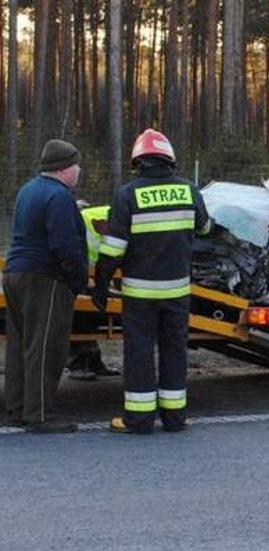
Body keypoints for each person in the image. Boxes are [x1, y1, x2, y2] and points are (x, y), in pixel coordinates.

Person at [92, 129, 211, 434]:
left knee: (140, 352)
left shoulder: (127, 195)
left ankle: (139, 420)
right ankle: (175, 419)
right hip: (177, 291)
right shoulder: (189, 190)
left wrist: (101, 287)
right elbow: (205, 228)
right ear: (170, 160)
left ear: (137, 162)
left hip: (140, 294)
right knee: (174, 351)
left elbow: (112, 250)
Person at [2, 139, 87, 433]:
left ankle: (16, 407)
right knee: (45, 347)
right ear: (65, 169)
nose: (79, 171)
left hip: (15, 273)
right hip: (45, 279)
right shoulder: (59, 197)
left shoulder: (30, 189)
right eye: (77, 166)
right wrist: (77, 280)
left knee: (20, 345)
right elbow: (65, 245)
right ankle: (39, 415)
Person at [67, 201, 121, 381]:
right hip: (73, 276)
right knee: (81, 315)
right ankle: (78, 363)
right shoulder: (113, 218)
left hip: (86, 277)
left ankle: (93, 362)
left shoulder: (114, 216)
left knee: (88, 316)